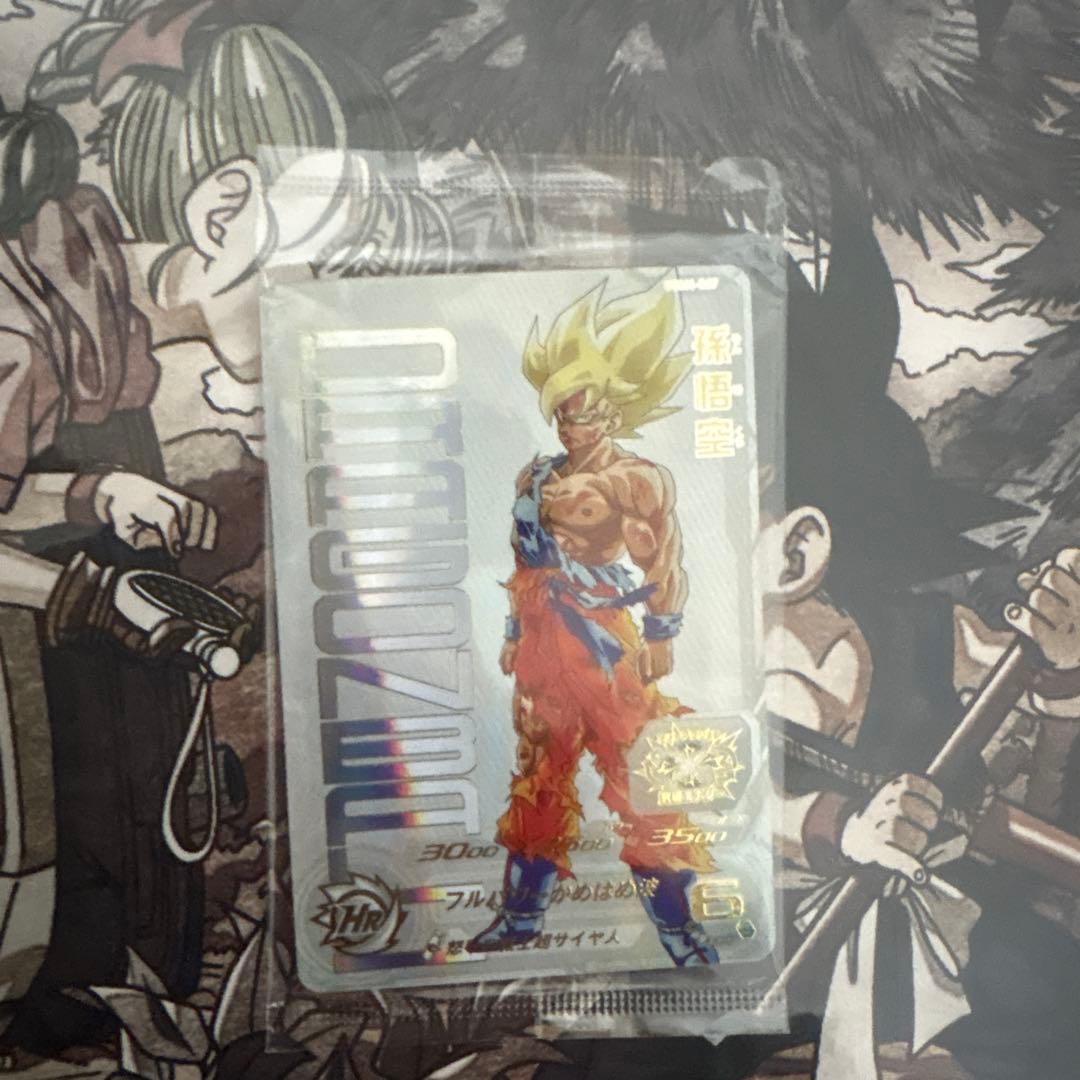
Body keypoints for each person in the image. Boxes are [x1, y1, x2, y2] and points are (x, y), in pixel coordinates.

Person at [0, 100, 226, 1053]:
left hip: (97, 495)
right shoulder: (11, 339)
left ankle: (137, 974)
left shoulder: (74, 224)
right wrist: (89, 584)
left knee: (143, 750)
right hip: (43, 580)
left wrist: (109, 491)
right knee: (65, 784)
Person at [468, 278, 720, 966]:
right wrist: (514, 635)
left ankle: (678, 931)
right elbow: (523, 562)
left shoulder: (636, 478)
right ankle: (521, 918)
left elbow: (664, 560)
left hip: (607, 643)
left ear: (608, 411)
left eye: (580, 410)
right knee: (539, 777)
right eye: (561, 410)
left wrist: (663, 633)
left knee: (638, 781)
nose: (568, 422)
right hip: (544, 642)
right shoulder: (536, 477)